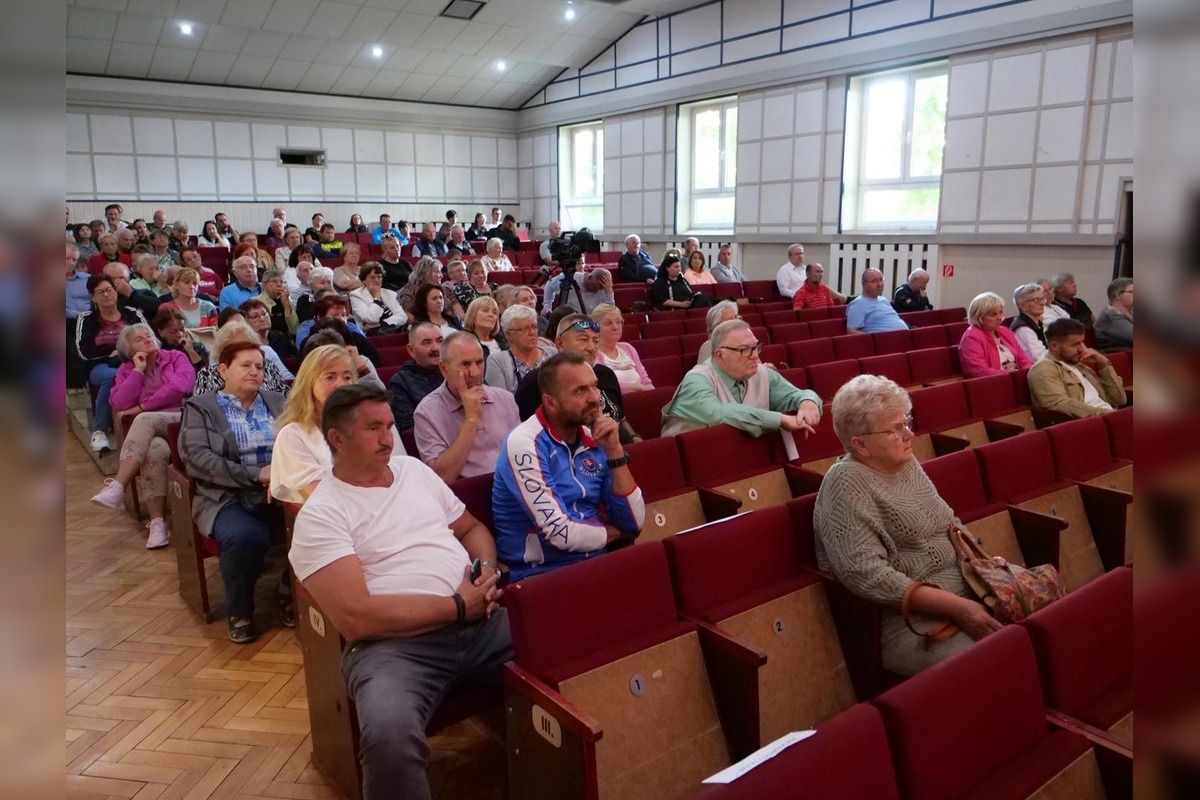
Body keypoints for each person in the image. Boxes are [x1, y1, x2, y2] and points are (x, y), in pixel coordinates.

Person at [289, 382, 508, 800]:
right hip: (395, 649)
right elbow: (358, 618)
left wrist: (486, 569)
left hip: (483, 620)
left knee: (569, 654)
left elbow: (472, 529)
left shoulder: (414, 472)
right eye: (373, 428)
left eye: (389, 425)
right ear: (337, 438)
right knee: (388, 736)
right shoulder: (323, 513)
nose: (388, 438)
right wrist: (458, 607)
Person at [813, 374, 998, 675]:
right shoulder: (845, 483)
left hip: (971, 593)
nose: (909, 434)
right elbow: (866, 575)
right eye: (896, 428)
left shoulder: (904, 462)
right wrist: (957, 607)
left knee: (1049, 622)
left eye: (906, 421)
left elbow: (948, 522)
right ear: (860, 444)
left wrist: (990, 571)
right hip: (911, 624)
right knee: (1003, 659)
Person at [493, 352, 645, 581]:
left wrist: (614, 451)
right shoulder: (525, 442)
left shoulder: (595, 437)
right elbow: (559, 534)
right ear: (550, 403)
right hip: (540, 575)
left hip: (597, 561)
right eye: (580, 391)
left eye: (594, 387)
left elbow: (634, 522)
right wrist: (612, 534)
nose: (595, 398)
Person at [179, 341, 290, 643]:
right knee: (245, 536)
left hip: (282, 491)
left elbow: (301, 442)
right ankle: (239, 610)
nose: (255, 372)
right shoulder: (201, 407)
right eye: (246, 365)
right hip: (224, 495)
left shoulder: (278, 401)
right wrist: (256, 475)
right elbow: (199, 461)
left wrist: (282, 475)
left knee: (321, 522)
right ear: (224, 370)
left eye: (260, 367)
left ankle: (287, 589)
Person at [88, 324, 194, 548]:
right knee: (154, 450)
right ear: (129, 350)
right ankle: (158, 525)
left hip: (183, 420)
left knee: (143, 419)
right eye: (138, 339)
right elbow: (118, 403)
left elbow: (180, 387)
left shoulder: (176, 357)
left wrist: (142, 407)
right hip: (154, 433)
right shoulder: (127, 369)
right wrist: (137, 371)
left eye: (148, 334)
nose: (147, 339)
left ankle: (118, 485)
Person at [271, 344, 404, 504]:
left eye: (347, 377)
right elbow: (323, 501)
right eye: (330, 377)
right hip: (342, 521)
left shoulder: (379, 422)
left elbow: (401, 474)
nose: (340, 385)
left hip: (396, 508)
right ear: (309, 384)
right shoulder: (292, 436)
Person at [662, 320, 822, 437]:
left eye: (756, 347)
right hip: (694, 464)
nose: (755, 356)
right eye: (744, 350)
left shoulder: (760, 372)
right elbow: (718, 413)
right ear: (720, 356)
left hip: (738, 461)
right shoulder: (696, 379)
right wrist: (781, 420)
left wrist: (808, 402)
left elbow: (795, 395)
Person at [513, 314, 642, 443]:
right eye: (583, 339)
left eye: (596, 341)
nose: (592, 348)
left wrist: (634, 438)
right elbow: (524, 433)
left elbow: (621, 420)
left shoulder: (606, 374)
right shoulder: (538, 381)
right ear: (560, 343)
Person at [412, 332, 520, 483]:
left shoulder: (505, 399)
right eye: (465, 364)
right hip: (467, 497)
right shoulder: (427, 412)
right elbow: (442, 478)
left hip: (512, 488)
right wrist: (471, 419)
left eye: (479, 362)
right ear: (444, 369)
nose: (475, 373)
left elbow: (521, 456)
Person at [76, 275, 149, 451]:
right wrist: (111, 353)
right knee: (112, 376)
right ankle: (100, 430)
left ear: (116, 292)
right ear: (93, 297)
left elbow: (149, 338)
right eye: (100, 292)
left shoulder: (131, 313)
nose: (106, 295)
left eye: (109, 290)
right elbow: (84, 350)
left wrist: (124, 352)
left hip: (134, 362)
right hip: (102, 366)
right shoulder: (87, 319)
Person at [1028, 319, 1126, 418]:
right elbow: (1060, 404)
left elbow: (1119, 399)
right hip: (1092, 423)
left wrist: (1103, 362)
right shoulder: (1043, 369)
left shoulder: (1078, 365)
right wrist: (1106, 413)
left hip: (1111, 415)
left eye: (1082, 342)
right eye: (1075, 344)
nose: (1082, 349)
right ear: (1054, 346)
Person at [194, 319, 292, 396]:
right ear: (222, 349)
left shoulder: (268, 366)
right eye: (237, 347)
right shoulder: (207, 375)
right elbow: (201, 410)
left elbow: (284, 400)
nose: (244, 351)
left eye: (248, 345)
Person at [958, 292, 1033, 378]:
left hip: (1017, 378)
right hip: (994, 383)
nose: (999, 317)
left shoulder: (1005, 331)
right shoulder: (971, 338)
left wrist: (1026, 371)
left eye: (1000, 313)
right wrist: (1012, 377)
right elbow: (980, 372)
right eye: (993, 314)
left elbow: (1023, 359)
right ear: (979, 316)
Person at [386, 322, 445, 430]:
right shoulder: (400, 383)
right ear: (411, 350)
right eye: (427, 343)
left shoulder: (458, 368)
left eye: (440, 341)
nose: (436, 348)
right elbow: (410, 429)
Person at [486, 305, 557, 392]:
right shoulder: (497, 361)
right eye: (525, 329)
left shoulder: (551, 353)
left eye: (534, 327)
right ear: (508, 334)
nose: (532, 332)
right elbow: (500, 402)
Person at [592, 303, 653, 393]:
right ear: (596, 328)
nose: (615, 327)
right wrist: (638, 387)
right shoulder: (593, 353)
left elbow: (645, 380)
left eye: (618, 321)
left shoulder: (628, 348)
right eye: (608, 323)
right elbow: (605, 384)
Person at [295, 293, 377, 360]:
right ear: (319, 317)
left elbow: (375, 362)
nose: (341, 319)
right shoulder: (309, 343)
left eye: (344, 315)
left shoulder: (357, 338)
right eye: (335, 315)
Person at [350, 262, 408, 335]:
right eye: (372, 277)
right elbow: (372, 318)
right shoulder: (356, 295)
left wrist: (383, 323)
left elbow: (403, 317)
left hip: (392, 331)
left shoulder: (390, 294)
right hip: (370, 336)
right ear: (363, 280)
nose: (377, 280)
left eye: (379, 277)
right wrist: (377, 297)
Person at [846, 269, 909, 334]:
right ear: (863, 284)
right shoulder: (857, 304)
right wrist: (872, 340)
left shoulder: (883, 300)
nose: (879, 284)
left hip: (903, 337)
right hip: (884, 341)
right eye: (874, 281)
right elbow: (851, 332)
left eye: (881, 280)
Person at [152, 306, 208, 374]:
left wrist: (191, 352)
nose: (180, 334)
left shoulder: (198, 347)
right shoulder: (158, 354)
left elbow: (207, 376)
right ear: (161, 332)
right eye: (173, 332)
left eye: (182, 329)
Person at [543, 265, 614, 314]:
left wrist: (609, 292)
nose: (597, 291)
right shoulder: (572, 277)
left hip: (591, 320)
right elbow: (550, 284)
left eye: (600, 289)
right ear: (589, 277)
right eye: (594, 287)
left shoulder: (603, 288)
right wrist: (547, 305)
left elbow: (609, 312)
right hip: (570, 318)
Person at [1010, 283, 1050, 362]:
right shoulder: (1023, 329)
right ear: (1022, 306)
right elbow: (1040, 358)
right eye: (1035, 300)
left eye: (1042, 299)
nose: (1042, 303)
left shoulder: (1038, 324)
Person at [255, 268, 299, 338]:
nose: (279, 284)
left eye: (281, 282)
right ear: (264, 285)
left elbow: (294, 330)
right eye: (274, 281)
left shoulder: (287, 301)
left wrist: (286, 305)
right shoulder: (256, 302)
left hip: (284, 340)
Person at [1093, 278, 1134, 353]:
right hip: (1118, 358)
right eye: (1132, 292)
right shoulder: (1111, 316)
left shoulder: (1130, 312)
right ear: (1118, 295)